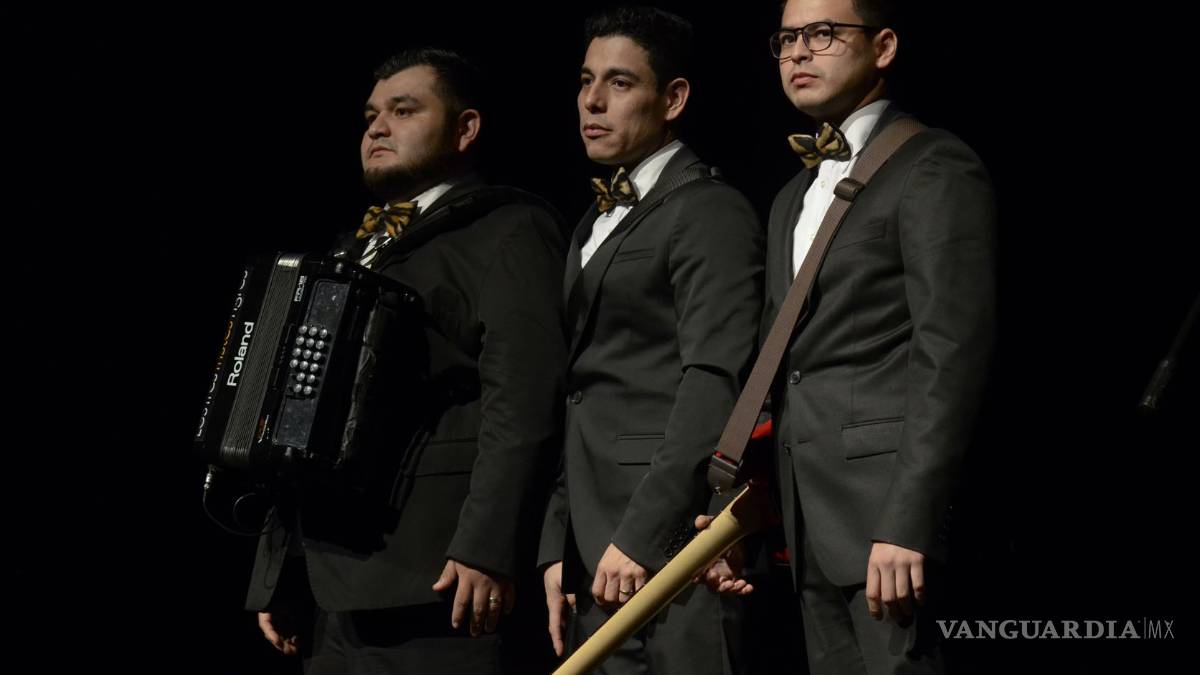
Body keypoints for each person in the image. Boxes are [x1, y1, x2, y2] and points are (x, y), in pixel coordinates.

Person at [245, 47, 567, 674]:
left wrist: (487, 547)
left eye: (403, 110)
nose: (377, 128)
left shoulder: (509, 229)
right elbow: (297, 414)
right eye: (371, 115)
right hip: (330, 585)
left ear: (465, 129)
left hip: (437, 577)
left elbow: (526, 402)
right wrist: (275, 570)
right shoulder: (354, 249)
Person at [697, 1, 997, 672]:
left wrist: (909, 519)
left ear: (883, 47)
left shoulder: (933, 165)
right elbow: (780, 370)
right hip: (808, 525)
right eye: (787, 38)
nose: (799, 52)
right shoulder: (791, 196)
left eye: (823, 33)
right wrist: (735, 510)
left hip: (891, 527)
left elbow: (951, 353)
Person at [538, 6, 765, 674]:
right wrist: (557, 544)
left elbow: (714, 381)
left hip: (675, 550)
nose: (592, 100)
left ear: (673, 98)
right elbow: (581, 391)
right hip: (593, 544)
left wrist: (643, 535)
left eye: (620, 82)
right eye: (585, 80)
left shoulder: (707, 208)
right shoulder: (591, 220)